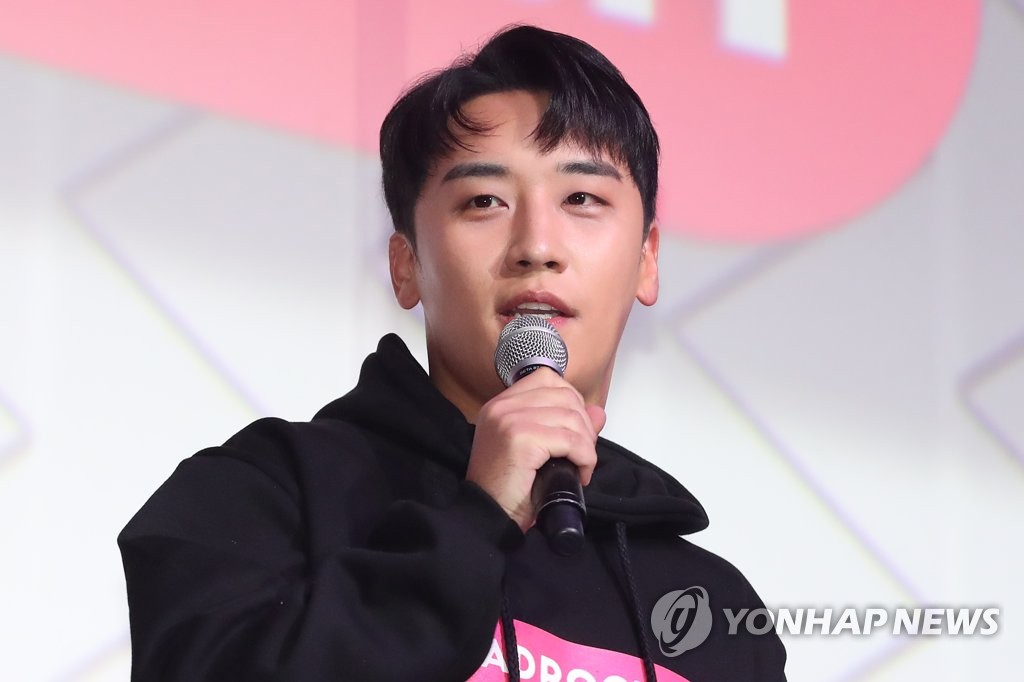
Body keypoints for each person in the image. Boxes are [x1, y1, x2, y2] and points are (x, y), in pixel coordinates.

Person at [119, 25, 786, 681]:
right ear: (406, 265)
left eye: (582, 198)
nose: (536, 246)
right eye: (484, 201)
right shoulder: (261, 495)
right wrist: (477, 519)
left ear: (647, 260)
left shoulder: (711, 608)